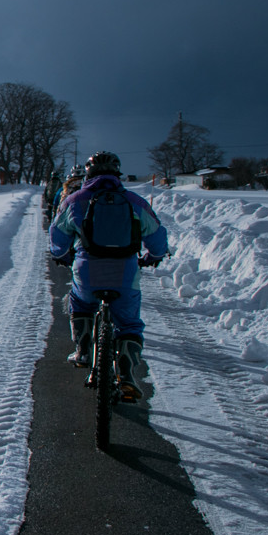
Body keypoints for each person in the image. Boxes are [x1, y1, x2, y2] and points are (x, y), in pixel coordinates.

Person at [49, 151, 168, 400]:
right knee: (129, 324)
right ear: (117, 174)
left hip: (87, 271)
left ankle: (82, 351)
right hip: (125, 273)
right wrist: (154, 257)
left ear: (88, 174)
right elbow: (157, 236)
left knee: (80, 303)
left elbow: (57, 235)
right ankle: (125, 373)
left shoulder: (75, 200)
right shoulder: (134, 201)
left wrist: (60, 254)